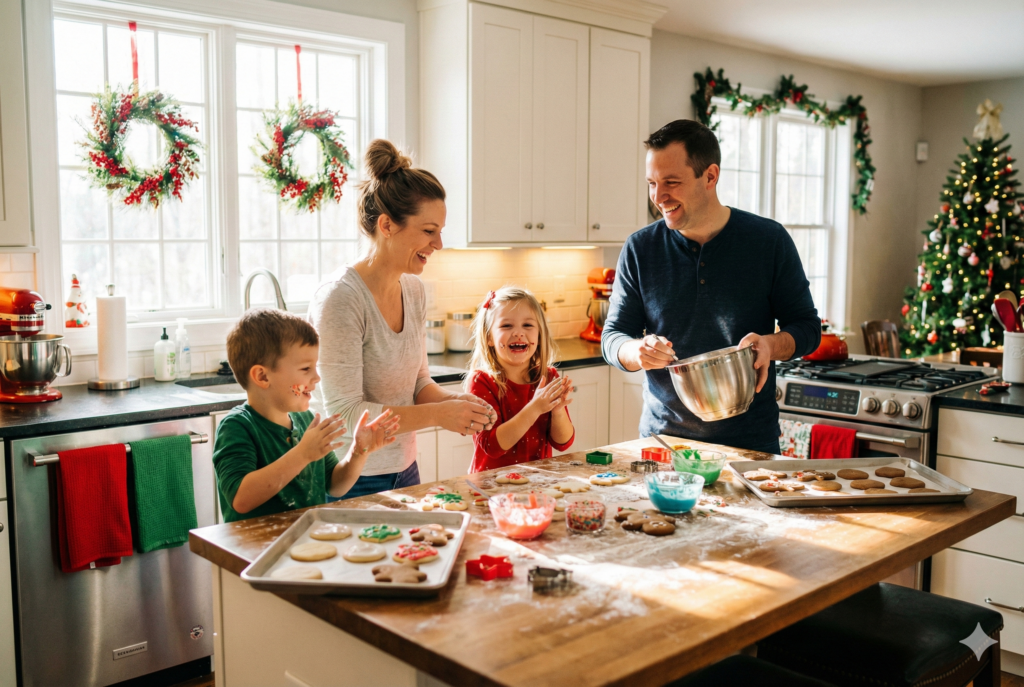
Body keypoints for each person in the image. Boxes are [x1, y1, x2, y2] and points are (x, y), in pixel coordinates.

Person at [601, 119, 821, 454]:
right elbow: (613, 336)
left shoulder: (768, 241)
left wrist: (769, 346)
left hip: (750, 445)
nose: (658, 197)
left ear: (710, 176)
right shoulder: (640, 248)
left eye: (671, 182)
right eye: (651, 183)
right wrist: (637, 351)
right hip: (663, 443)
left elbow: (807, 328)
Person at [308, 139, 497, 498]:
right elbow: (347, 412)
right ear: (387, 225)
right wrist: (439, 416)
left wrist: (453, 403)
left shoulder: (413, 289)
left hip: (405, 471)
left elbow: (417, 383)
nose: (438, 243)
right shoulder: (340, 299)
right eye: (429, 231)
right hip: (347, 476)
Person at [213, 308, 399, 523]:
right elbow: (240, 499)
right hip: (255, 550)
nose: (317, 377)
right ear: (263, 376)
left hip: (306, 545)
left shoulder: (307, 421)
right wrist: (302, 454)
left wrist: (358, 452)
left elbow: (335, 485)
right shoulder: (237, 427)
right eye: (305, 369)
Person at [465, 287, 575, 472]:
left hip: (538, 485)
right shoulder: (481, 381)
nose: (518, 333)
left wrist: (557, 411)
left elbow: (563, 443)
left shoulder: (548, 377)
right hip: (492, 489)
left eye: (528, 325)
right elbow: (492, 446)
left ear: (539, 335)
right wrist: (536, 407)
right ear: (489, 337)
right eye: (507, 326)